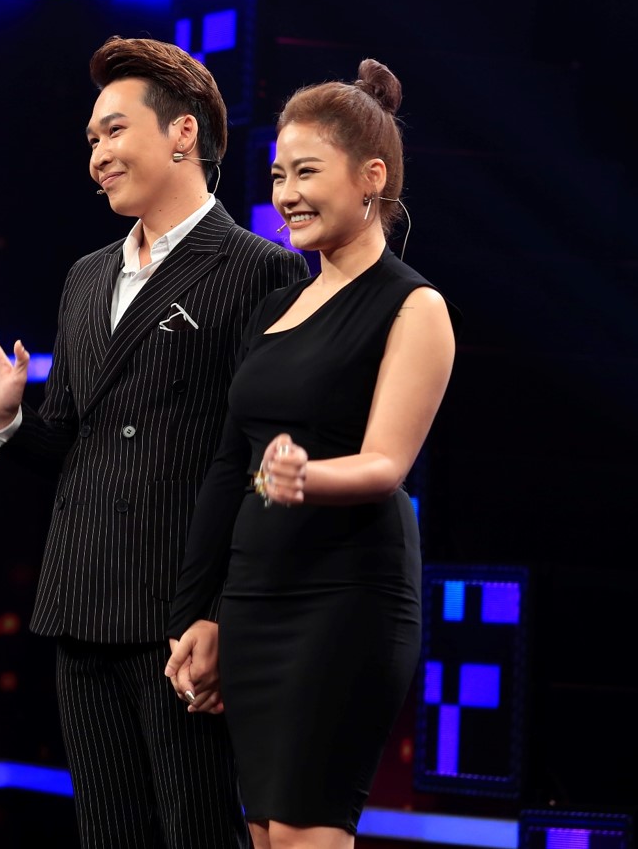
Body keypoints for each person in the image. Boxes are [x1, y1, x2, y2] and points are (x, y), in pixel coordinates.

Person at [0, 37, 309, 849]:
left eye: (114, 132)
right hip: (83, 603)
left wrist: (222, 615)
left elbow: (267, 468)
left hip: (182, 615)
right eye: (92, 140)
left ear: (183, 133)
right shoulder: (86, 277)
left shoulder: (261, 271)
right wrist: (7, 420)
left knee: (199, 832)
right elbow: (74, 445)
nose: (98, 156)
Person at [163, 59, 456, 849]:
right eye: (277, 175)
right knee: (265, 833)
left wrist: (304, 477)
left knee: (305, 834)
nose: (286, 193)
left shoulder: (414, 305)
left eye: (306, 172)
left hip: (344, 599)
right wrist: (199, 613)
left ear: (371, 178)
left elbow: (386, 465)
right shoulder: (275, 308)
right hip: (255, 598)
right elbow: (228, 471)